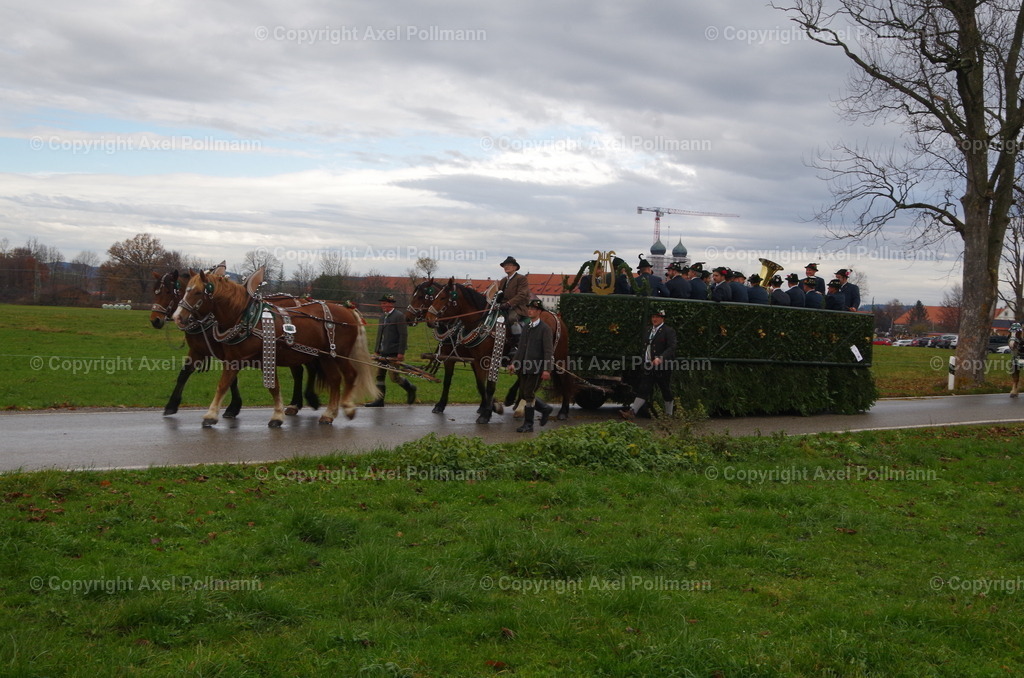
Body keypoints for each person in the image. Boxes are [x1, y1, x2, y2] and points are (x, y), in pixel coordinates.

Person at [621, 309, 677, 419]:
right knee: (643, 389)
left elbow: (672, 347)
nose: (654, 319)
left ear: (662, 319)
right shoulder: (648, 330)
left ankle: (669, 415)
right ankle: (632, 412)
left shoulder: (668, 331)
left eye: (657, 317)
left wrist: (660, 358)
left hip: (662, 367)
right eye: (653, 317)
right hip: (648, 365)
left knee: (665, 390)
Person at [508, 299, 554, 432]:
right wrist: (514, 363)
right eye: (529, 308)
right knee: (524, 393)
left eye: (533, 309)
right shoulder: (527, 327)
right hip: (524, 367)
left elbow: (548, 351)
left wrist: (547, 369)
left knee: (528, 393)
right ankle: (545, 408)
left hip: (536, 368)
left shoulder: (545, 329)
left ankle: (529, 424)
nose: (530, 311)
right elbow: (521, 348)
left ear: (539, 312)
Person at [365, 294, 417, 407]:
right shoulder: (382, 317)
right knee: (379, 376)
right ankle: (379, 400)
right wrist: (377, 350)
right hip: (382, 352)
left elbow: (403, 335)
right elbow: (379, 335)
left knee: (394, 377)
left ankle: (410, 388)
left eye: (384, 303)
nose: (382, 305)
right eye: (381, 303)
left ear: (391, 304)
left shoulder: (399, 316)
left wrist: (401, 352)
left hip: (393, 352)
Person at [497, 256, 531, 355]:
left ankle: (517, 344)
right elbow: (500, 293)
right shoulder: (503, 280)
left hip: (518, 307)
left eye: (509, 265)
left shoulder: (521, 279)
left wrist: (509, 303)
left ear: (515, 267)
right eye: (505, 265)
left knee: (512, 318)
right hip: (503, 306)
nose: (506, 267)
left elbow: (522, 294)